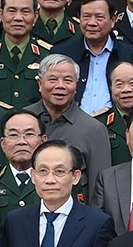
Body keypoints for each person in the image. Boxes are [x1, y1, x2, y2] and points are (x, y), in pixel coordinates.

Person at [24, 53, 114, 182]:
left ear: (76, 86)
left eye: (68, 80)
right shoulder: (22, 119)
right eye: (53, 79)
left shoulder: (93, 129)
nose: (60, 85)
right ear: (39, 83)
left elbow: (99, 186)